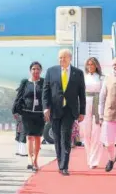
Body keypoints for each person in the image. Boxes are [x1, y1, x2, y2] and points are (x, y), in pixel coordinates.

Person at [42, 48, 86, 176]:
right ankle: (60, 163)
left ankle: (65, 166)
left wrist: (82, 111)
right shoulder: (51, 71)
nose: (62, 60)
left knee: (66, 137)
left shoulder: (78, 73)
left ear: (70, 58)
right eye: (60, 58)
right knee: (57, 138)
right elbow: (46, 91)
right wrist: (46, 108)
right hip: (55, 109)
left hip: (70, 110)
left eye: (64, 57)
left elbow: (81, 94)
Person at [13, 61, 45, 172]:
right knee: (29, 137)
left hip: (40, 114)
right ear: (30, 70)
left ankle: (36, 159)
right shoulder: (25, 83)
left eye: (38, 69)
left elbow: (47, 97)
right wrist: (15, 110)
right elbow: (19, 96)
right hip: (27, 113)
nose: (35, 71)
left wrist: (48, 110)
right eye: (33, 69)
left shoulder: (44, 82)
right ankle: (30, 160)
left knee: (37, 137)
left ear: (41, 71)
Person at [80, 57, 104, 169]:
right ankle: (89, 157)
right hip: (85, 104)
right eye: (88, 64)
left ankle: (94, 160)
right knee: (86, 133)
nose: (90, 66)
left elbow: (104, 94)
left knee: (96, 133)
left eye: (92, 64)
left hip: (97, 104)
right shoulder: (83, 77)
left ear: (96, 66)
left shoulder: (101, 78)